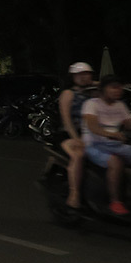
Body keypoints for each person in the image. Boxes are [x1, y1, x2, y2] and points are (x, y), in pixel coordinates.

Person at [82, 75, 131, 216]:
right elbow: (93, 127)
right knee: (116, 162)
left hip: (115, 144)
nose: (118, 90)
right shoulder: (92, 104)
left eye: (120, 87)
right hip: (94, 144)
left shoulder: (120, 105)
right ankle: (115, 201)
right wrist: (112, 134)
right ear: (103, 89)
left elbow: (130, 124)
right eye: (113, 87)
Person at [58, 63, 95, 208]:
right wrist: (75, 137)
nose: (83, 77)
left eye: (87, 74)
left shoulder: (93, 92)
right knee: (78, 155)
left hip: (92, 133)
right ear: (73, 77)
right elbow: (66, 119)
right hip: (68, 134)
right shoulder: (68, 94)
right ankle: (74, 194)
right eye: (80, 75)